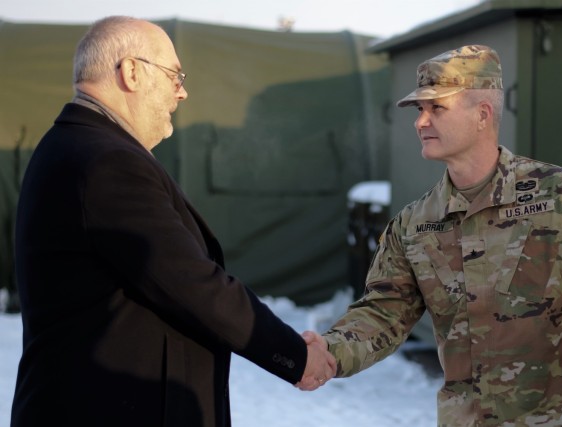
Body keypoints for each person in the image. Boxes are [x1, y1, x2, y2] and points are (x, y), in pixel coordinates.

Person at [11, 16, 335, 427]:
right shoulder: (104, 160)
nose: (182, 92)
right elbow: (189, 282)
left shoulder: (78, 146)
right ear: (131, 71)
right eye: (174, 75)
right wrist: (296, 354)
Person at [301, 45, 562, 426]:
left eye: (436, 108)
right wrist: (329, 350)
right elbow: (383, 314)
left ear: (482, 114)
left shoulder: (560, 197)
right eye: (418, 111)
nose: (420, 122)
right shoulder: (414, 224)